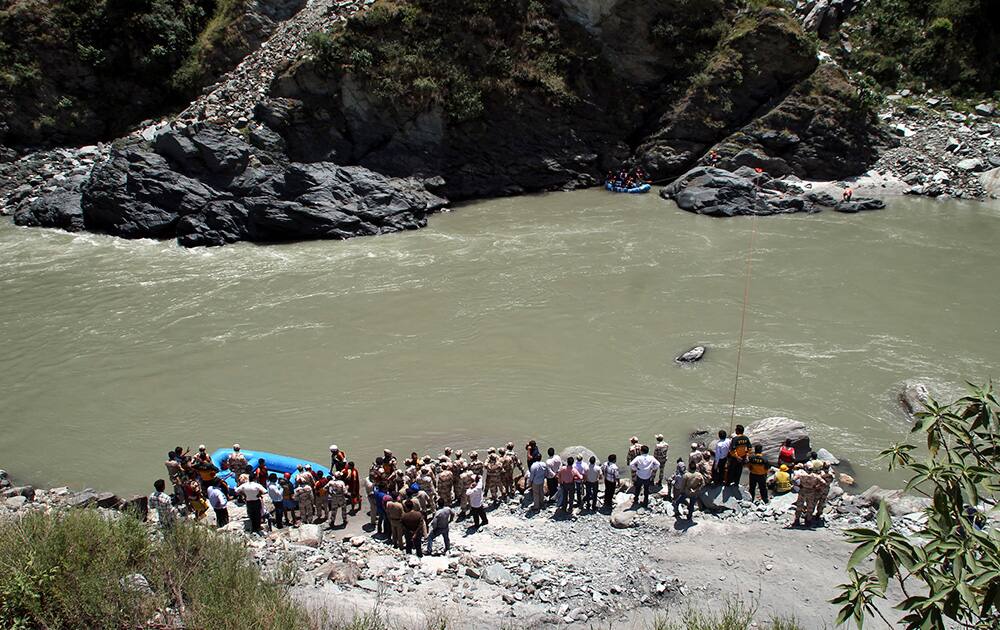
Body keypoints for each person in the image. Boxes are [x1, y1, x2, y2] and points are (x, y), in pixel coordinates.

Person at [791, 461, 823, 527]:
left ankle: (797, 520)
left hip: (802, 491)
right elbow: (823, 483)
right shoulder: (815, 476)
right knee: (810, 507)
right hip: (811, 492)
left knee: (799, 506)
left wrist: (799, 485)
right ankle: (808, 521)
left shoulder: (801, 475)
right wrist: (816, 486)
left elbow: (793, 480)